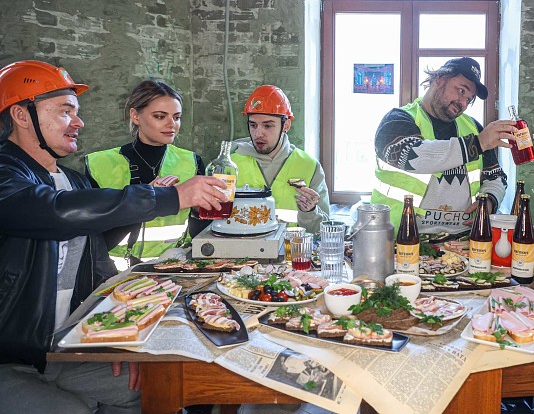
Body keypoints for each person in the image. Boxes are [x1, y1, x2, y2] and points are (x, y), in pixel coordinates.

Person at [0, 60, 228, 414]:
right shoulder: (6, 175)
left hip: (67, 345)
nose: (79, 122)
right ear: (21, 115)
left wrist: (119, 333)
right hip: (13, 357)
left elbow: (97, 256)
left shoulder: (74, 181)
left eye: (77, 112)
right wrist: (168, 197)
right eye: (65, 111)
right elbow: (54, 212)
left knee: (163, 385)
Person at [372, 57, 511, 232]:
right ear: (440, 79)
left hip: (461, 241)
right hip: (402, 238)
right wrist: (478, 143)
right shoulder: (396, 121)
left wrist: (489, 200)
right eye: (461, 90)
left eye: (469, 99)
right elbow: (414, 157)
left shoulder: (473, 128)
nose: (463, 103)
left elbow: (496, 177)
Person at [85, 80, 209, 265]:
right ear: (135, 116)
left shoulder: (192, 162)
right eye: (160, 116)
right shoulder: (99, 165)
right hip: (116, 276)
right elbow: (93, 243)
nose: (172, 124)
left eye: (177, 117)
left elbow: (202, 233)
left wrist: (199, 212)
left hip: (176, 269)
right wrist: (144, 201)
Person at [231, 85, 330, 234]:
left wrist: (310, 212)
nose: (258, 133)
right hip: (242, 247)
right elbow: (213, 221)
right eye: (253, 125)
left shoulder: (309, 166)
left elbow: (325, 231)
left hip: (293, 248)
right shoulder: (230, 164)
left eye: (267, 126)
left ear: (286, 125)